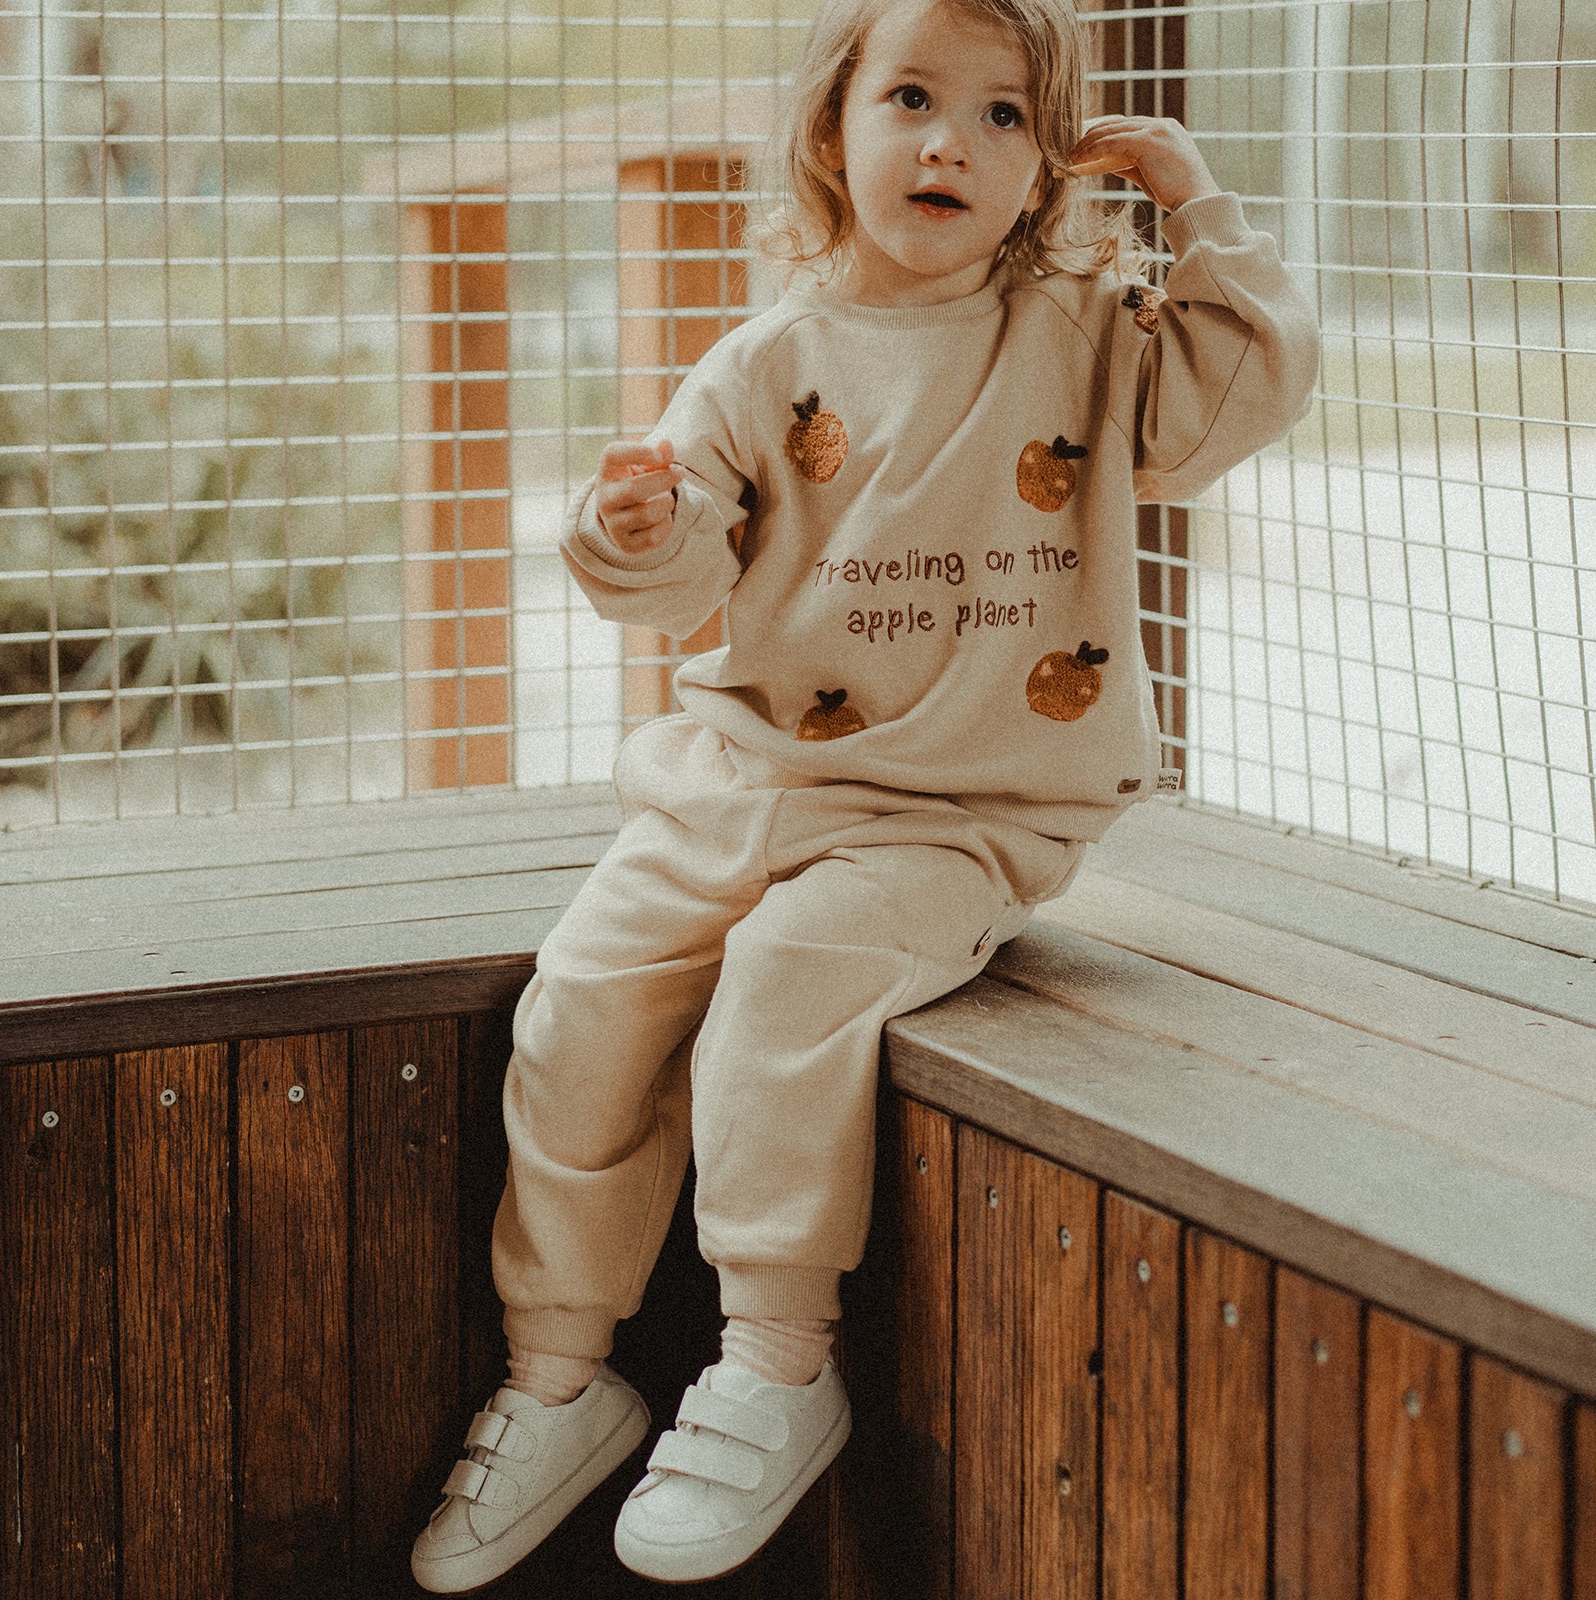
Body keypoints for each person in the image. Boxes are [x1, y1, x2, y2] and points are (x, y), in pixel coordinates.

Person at [411, 0, 1318, 1588]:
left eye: (1003, 118)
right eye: (911, 98)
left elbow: (1249, 389)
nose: (951, 142)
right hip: (742, 785)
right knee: (579, 1008)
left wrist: (1194, 204)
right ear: (834, 132)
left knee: (788, 980)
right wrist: (632, 526)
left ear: (1045, 173)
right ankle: (560, 1373)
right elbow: (674, 563)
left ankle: (777, 1360)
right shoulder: (765, 361)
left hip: (961, 810)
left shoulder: (1094, 343)